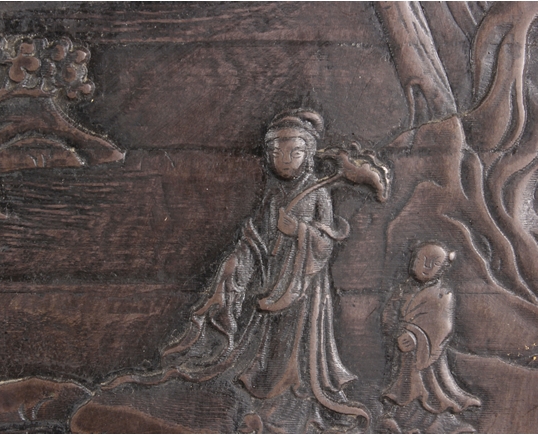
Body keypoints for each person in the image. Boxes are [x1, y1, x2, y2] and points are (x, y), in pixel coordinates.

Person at [103, 108, 368, 432]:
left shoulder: (319, 193)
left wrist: (299, 231)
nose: (285, 161)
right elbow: (258, 235)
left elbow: (326, 242)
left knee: (296, 345)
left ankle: (293, 404)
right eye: (277, 153)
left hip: (303, 286)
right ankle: (261, 387)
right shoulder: (275, 192)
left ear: (309, 155)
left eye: (294, 153)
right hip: (270, 279)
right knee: (266, 344)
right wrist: (240, 259)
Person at [380, 243, 481, 433]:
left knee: (430, 385)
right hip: (404, 351)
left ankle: (433, 419)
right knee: (405, 384)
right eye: (421, 260)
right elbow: (389, 314)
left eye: (433, 263)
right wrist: (397, 332)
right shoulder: (403, 290)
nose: (425, 267)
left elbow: (443, 326)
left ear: (442, 268)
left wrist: (415, 336)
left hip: (427, 352)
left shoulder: (443, 294)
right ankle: (403, 416)